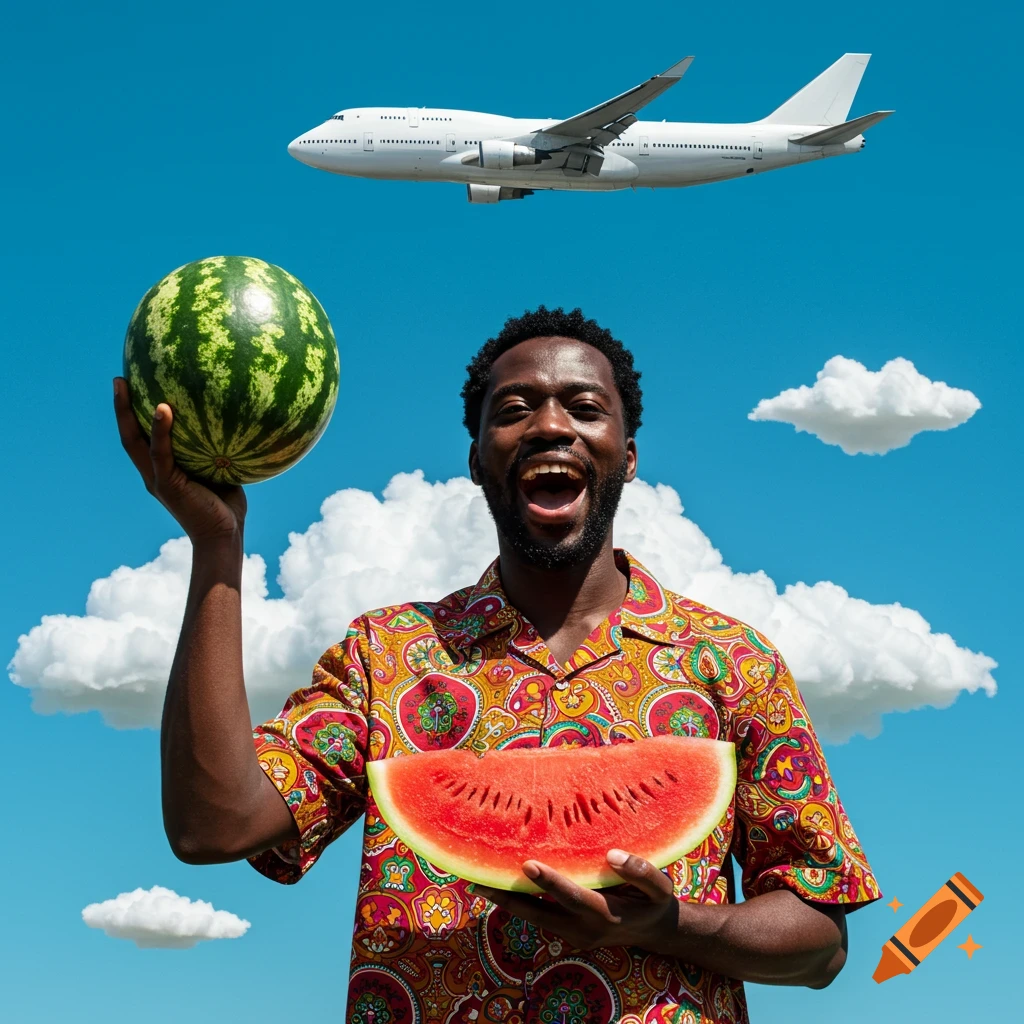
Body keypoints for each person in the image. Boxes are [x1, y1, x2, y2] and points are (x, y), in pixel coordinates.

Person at [113, 306, 880, 1024]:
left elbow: (821, 943)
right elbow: (214, 825)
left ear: (628, 456)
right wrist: (216, 545)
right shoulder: (386, 655)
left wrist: (670, 925)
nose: (550, 425)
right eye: (514, 410)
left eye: (584, 407)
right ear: (478, 460)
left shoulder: (733, 662)